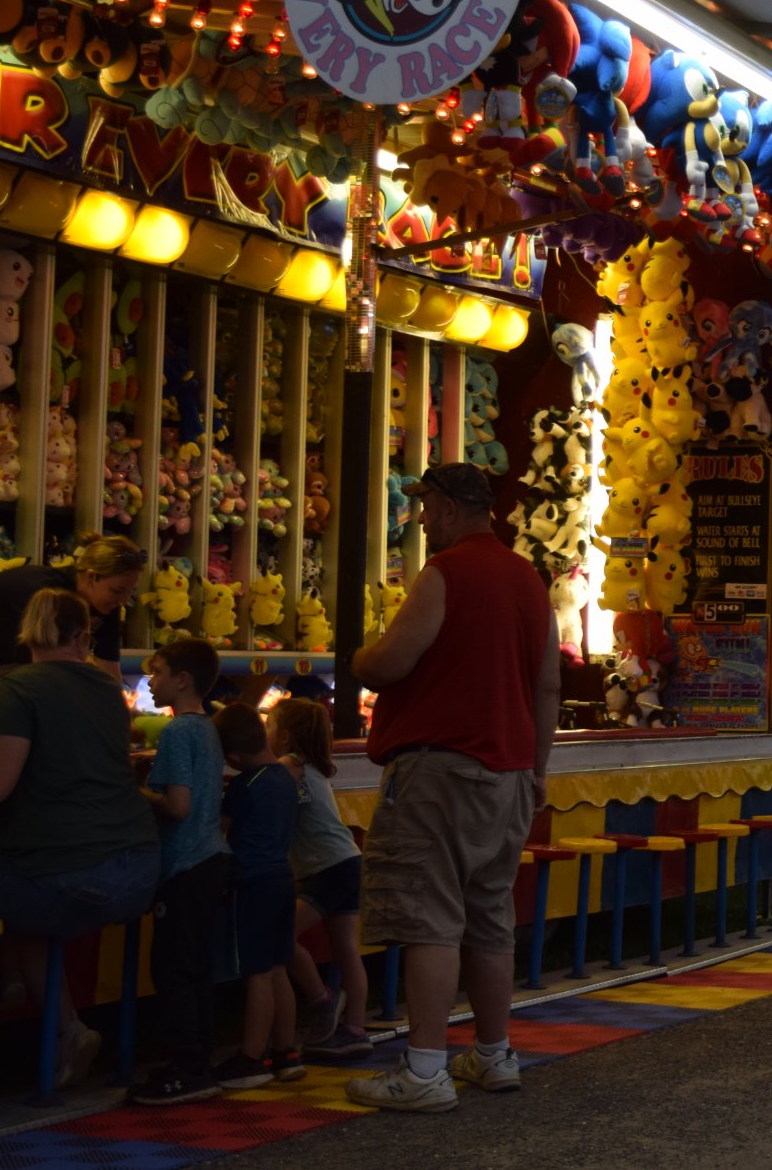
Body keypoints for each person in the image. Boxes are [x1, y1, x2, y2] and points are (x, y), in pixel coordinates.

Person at [347, 463, 558, 1113]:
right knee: (489, 917)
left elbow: (391, 662)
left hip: (440, 771)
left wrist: (358, 657)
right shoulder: (528, 579)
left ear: (445, 507)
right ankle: (493, 1054)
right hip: (510, 772)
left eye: (425, 506)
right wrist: (537, 771)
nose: (419, 519)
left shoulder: (445, 573)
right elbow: (548, 685)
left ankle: (424, 1069)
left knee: (430, 917)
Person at [0, 590, 159, 1090]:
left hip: (71, 876)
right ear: (83, 637)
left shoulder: (16, 690)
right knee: (29, 911)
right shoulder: (107, 688)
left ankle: (15, 1005)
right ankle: (59, 1025)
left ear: (28, 633)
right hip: (140, 871)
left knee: (9, 890)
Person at [130, 637, 230, 1106]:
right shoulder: (207, 728)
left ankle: (184, 1069)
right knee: (196, 968)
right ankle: (199, 1061)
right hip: (211, 859)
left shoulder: (176, 733)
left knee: (172, 970)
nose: (150, 680)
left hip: (185, 863)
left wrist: (135, 792)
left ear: (183, 680)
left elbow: (177, 805)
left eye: (158, 671)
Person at [272, 698, 373, 1058]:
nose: (266, 732)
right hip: (347, 862)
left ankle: (321, 999)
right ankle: (355, 1029)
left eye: (269, 726)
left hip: (328, 868)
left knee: (278, 934)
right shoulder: (312, 767)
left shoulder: (288, 766)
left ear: (285, 736)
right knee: (347, 949)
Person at [211, 702, 304, 1090]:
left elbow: (218, 827)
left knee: (257, 973)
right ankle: (286, 1052)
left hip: (251, 884)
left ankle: (251, 1059)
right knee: (279, 967)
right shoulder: (285, 777)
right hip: (283, 878)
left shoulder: (243, 786)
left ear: (233, 758)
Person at [0, 535, 146, 680]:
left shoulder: (107, 604)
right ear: (91, 577)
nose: (124, 600)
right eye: (118, 591)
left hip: (22, 666)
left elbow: (109, 671)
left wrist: (119, 703)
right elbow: (60, 659)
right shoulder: (47, 593)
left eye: (130, 591)